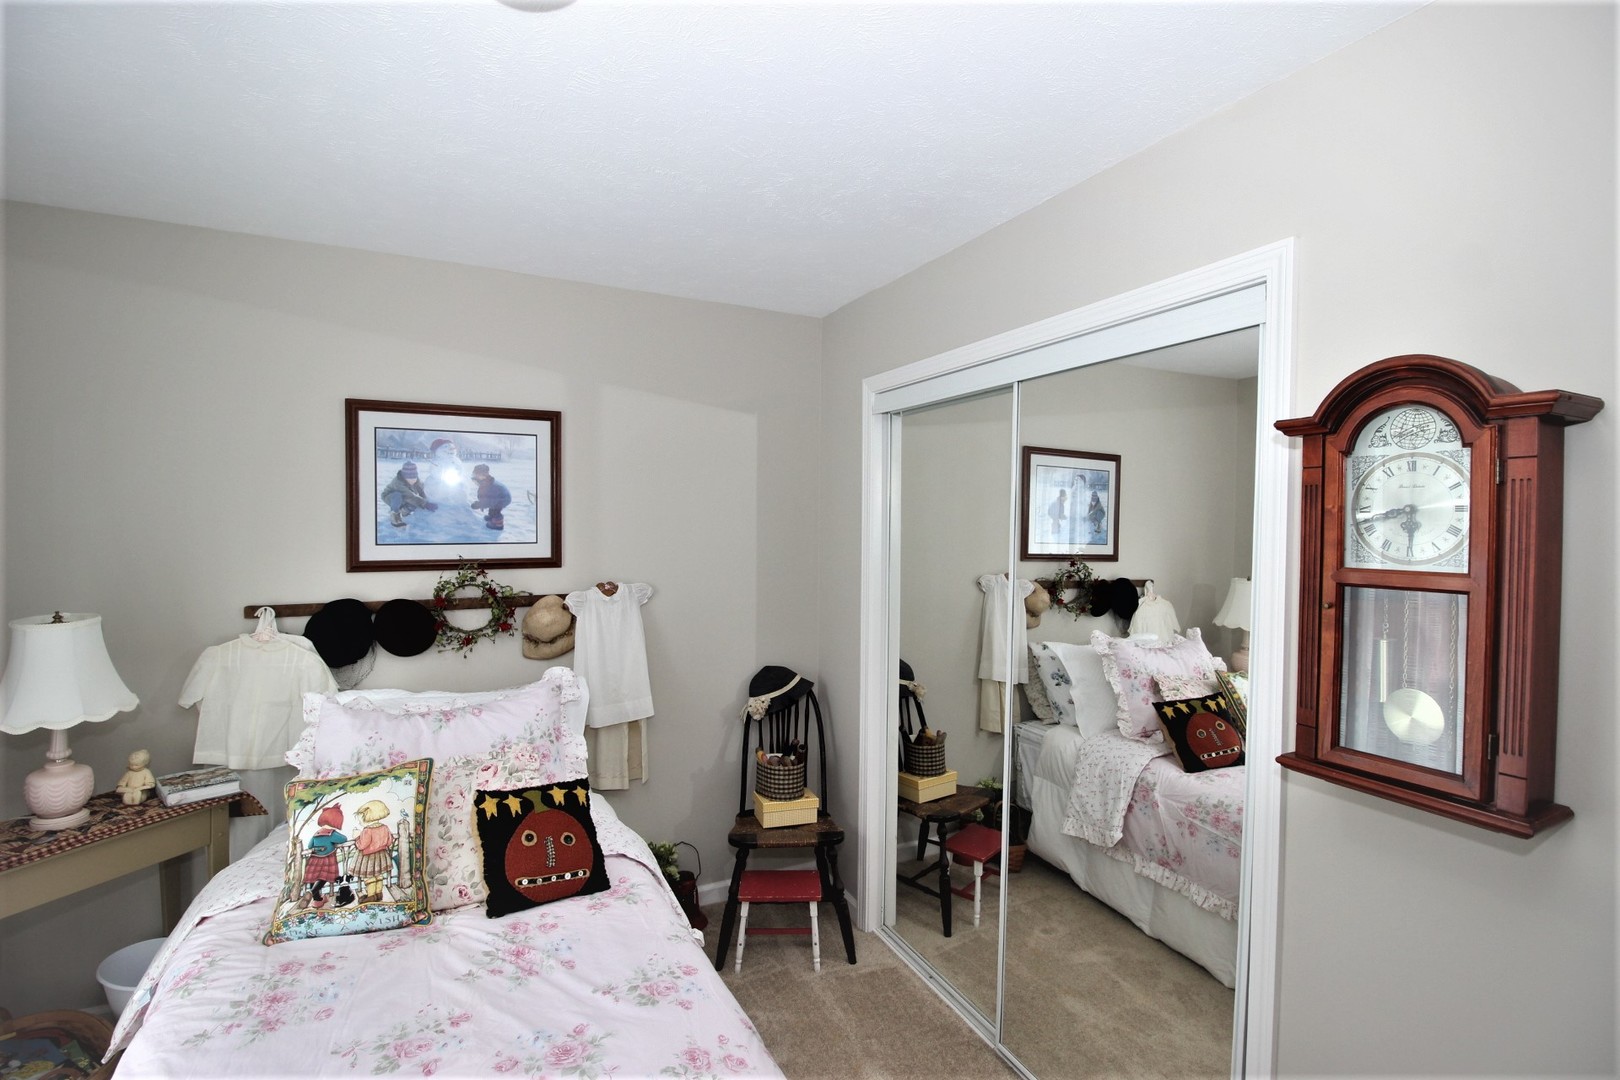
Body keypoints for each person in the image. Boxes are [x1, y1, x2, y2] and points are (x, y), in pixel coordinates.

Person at [302, 803, 347, 908]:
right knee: (324, 877)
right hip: (327, 858)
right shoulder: (332, 833)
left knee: (313, 878)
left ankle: (317, 900)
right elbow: (343, 839)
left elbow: (309, 845)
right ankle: (312, 891)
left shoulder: (317, 833)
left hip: (315, 858)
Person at [351, 799, 395, 904]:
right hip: (382, 856)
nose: (359, 821)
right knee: (379, 875)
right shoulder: (385, 827)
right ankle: (378, 893)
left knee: (369, 877)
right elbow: (389, 841)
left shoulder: (367, 830)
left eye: (360, 818)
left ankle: (371, 896)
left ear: (367, 816)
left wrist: (357, 837)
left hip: (368, 858)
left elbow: (361, 845)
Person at [379, 460, 436, 528]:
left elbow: (421, 491)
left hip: (406, 496)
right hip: (390, 496)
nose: (412, 480)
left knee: (416, 503)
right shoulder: (398, 482)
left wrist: (427, 501)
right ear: (404, 476)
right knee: (398, 496)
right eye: (409, 478)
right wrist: (425, 504)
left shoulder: (416, 480)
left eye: (414, 478)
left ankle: (404, 512)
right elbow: (409, 495)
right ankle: (395, 515)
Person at [469, 463, 512, 531]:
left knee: (495, 510)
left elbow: (489, 501)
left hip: (503, 499)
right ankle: (491, 516)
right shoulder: (486, 482)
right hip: (499, 497)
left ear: (484, 475)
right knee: (492, 508)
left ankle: (498, 523)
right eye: (474, 474)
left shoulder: (490, 486)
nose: (475, 477)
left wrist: (479, 504)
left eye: (477, 475)